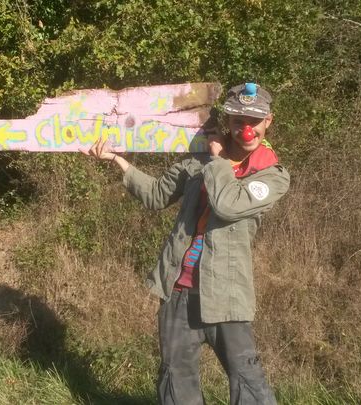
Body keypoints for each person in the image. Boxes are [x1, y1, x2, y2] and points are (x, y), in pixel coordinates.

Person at [82, 82, 289, 405]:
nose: (246, 129)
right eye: (238, 121)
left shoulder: (272, 175)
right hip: (178, 291)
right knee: (176, 380)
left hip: (226, 295)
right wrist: (117, 160)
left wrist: (218, 160)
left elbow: (228, 204)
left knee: (248, 383)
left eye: (253, 121)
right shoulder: (197, 162)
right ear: (228, 122)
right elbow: (155, 195)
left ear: (268, 122)